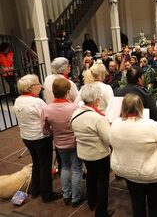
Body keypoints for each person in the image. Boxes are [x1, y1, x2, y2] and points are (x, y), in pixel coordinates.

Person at [110, 94, 157, 216]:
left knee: (137, 201)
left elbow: (111, 141)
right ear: (140, 107)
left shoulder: (115, 124)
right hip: (152, 173)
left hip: (128, 171)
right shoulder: (150, 125)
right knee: (156, 204)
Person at [13, 74, 62, 203]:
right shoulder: (36, 102)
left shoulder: (18, 100)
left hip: (27, 137)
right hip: (40, 137)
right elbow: (47, 117)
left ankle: (35, 190)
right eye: (38, 84)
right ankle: (47, 194)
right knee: (45, 165)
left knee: (36, 163)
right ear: (31, 87)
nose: (40, 86)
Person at [70, 84, 114, 217]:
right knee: (103, 182)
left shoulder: (76, 112)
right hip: (99, 154)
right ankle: (101, 212)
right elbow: (108, 139)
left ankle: (92, 202)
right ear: (97, 100)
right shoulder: (98, 118)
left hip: (84, 152)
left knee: (91, 176)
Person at [41, 78, 82, 207]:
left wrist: (54, 132)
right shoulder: (74, 107)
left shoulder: (47, 109)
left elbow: (45, 130)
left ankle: (66, 195)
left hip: (59, 143)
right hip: (75, 142)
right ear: (68, 91)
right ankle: (76, 197)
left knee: (64, 167)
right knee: (76, 169)